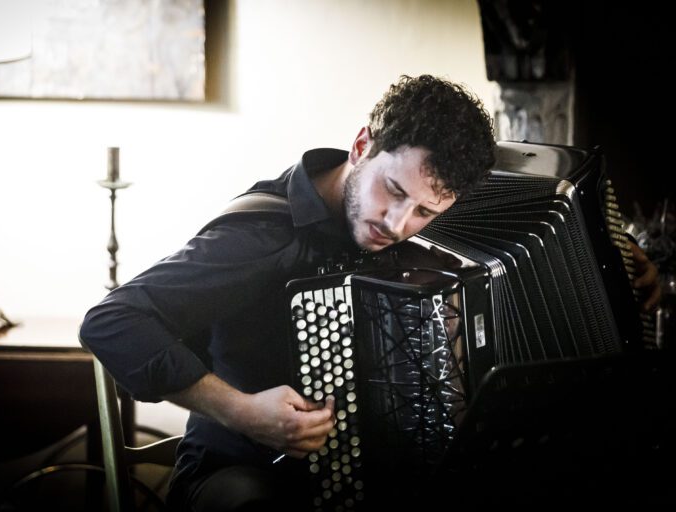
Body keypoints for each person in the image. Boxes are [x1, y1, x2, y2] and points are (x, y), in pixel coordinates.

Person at [80, 75, 661, 511]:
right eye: (392, 191)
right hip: (246, 469)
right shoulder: (262, 234)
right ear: (362, 144)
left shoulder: (434, 195)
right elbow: (111, 320)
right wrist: (243, 411)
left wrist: (616, 263)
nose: (400, 222)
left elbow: (532, 203)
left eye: (428, 212)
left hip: (386, 472)